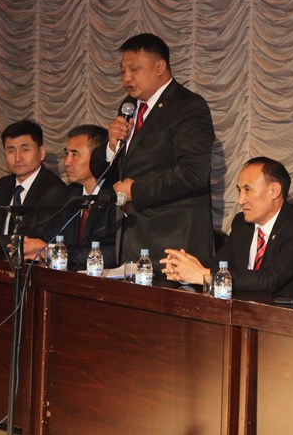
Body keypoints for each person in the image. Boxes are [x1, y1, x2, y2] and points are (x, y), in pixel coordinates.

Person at [90, 33, 215, 268]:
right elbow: (101, 171)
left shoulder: (188, 106)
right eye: (122, 71)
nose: (127, 78)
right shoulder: (128, 107)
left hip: (173, 244)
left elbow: (193, 174)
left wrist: (136, 191)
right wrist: (110, 145)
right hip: (130, 241)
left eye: (134, 69)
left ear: (160, 67)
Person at [161, 157, 293, 297]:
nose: (240, 200)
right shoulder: (241, 224)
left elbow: (269, 279)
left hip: (287, 316)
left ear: (274, 190)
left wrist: (203, 275)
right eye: (239, 190)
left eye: (247, 190)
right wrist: (184, 269)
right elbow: (220, 264)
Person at [0, 120, 68, 250]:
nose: (17, 158)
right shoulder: (3, 184)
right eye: (11, 151)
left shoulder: (54, 189)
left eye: (25, 150)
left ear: (41, 152)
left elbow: (32, 240)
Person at [22, 125, 117, 269]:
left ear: (98, 157)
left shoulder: (116, 197)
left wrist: (55, 252)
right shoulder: (69, 194)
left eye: (75, 154)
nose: (67, 162)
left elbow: (113, 253)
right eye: (66, 154)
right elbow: (49, 237)